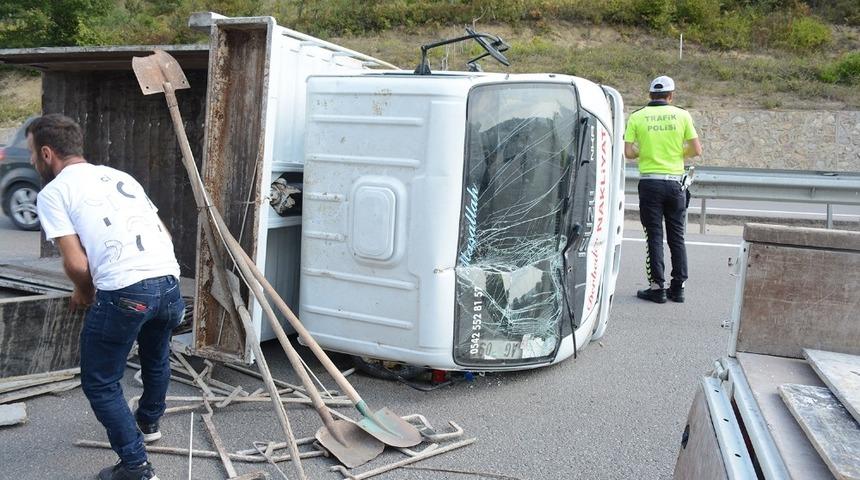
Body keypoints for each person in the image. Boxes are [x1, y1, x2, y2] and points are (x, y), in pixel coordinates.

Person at [28, 114, 182, 480]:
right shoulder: (120, 177)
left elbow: (77, 263)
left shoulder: (54, 192)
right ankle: (148, 423)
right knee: (155, 356)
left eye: (33, 154)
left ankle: (136, 467)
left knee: (99, 380)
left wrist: (84, 292)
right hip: (169, 281)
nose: (33, 161)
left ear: (47, 153)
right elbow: (164, 234)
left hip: (127, 291)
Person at [623, 76, 702, 304]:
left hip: (650, 183)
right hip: (675, 183)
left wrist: (646, 151)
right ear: (671, 95)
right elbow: (696, 150)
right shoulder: (682, 115)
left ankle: (658, 288)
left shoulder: (637, 116)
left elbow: (628, 153)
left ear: (650, 96)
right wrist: (676, 152)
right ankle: (678, 288)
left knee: (654, 236)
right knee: (677, 236)